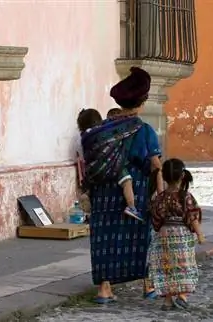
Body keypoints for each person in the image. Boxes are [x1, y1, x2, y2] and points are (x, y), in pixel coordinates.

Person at [82, 66, 164, 304]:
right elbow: (155, 164)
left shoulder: (99, 131)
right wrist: (160, 194)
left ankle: (104, 289)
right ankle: (148, 285)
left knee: (105, 239)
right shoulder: (144, 130)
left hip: (103, 193)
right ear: (142, 102)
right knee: (139, 237)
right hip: (135, 193)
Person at [148, 158, 205, 311]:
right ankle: (182, 296)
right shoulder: (186, 197)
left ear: (165, 177)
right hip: (182, 235)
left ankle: (167, 300)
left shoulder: (160, 198)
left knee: (167, 267)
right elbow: (192, 218)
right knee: (183, 265)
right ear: (182, 176)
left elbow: (156, 219)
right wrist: (200, 234)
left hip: (164, 235)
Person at [76, 108, 140, 220]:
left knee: (93, 182)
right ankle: (131, 206)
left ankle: (87, 194)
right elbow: (128, 127)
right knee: (127, 181)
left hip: (93, 169)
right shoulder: (104, 133)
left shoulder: (85, 136)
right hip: (110, 165)